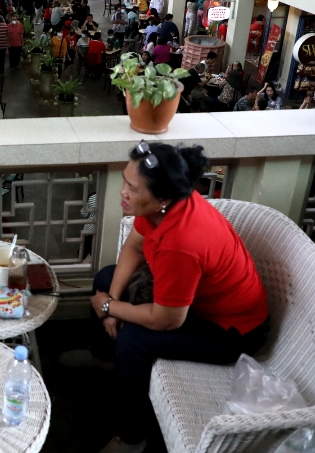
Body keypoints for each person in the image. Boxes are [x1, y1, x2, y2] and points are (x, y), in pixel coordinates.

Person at [62, 143, 268, 453]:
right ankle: (105, 356)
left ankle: (132, 438)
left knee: (134, 340)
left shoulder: (182, 243)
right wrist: (112, 302)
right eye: (125, 181)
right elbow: (134, 247)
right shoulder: (163, 206)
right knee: (106, 278)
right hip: (191, 301)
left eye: (133, 188)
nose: (123, 192)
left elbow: (167, 320)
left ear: (163, 198)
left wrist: (108, 306)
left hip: (231, 329)